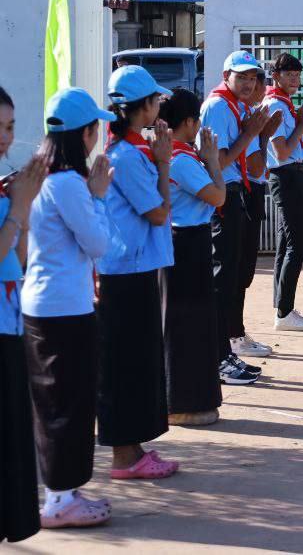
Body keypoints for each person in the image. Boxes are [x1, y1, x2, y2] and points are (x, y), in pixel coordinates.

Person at [23, 88, 115, 528]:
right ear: (84, 133)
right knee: (69, 403)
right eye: (94, 128)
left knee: (56, 401)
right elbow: (97, 243)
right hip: (64, 308)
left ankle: (62, 492)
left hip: (43, 303)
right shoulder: (69, 184)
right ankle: (60, 499)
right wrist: (97, 195)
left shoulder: (40, 177)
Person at [99, 65, 180, 480]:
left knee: (137, 361)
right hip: (125, 272)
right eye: (154, 101)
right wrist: (164, 164)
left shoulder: (131, 150)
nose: (159, 107)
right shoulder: (128, 156)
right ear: (142, 107)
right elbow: (158, 212)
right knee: (127, 363)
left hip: (133, 267)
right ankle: (124, 456)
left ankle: (133, 448)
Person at [200, 50, 273, 385]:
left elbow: (250, 161)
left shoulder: (237, 106)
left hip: (236, 192)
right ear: (226, 75)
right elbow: (219, 158)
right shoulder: (218, 106)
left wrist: (257, 131)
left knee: (234, 276)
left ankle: (226, 348)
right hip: (223, 196)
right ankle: (215, 356)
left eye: (253, 77)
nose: (248, 83)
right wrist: (253, 132)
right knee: (222, 278)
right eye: (241, 76)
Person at [157, 89, 225, 426]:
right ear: (187, 122)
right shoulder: (182, 159)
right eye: (197, 120)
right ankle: (181, 403)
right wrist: (212, 161)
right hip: (185, 243)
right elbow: (217, 195)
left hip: (188, 242)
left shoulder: (182, 155)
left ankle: (192, 400)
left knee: (196, 325)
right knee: (186, 327)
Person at [0, 87, 45, 543]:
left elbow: (21, 259)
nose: (5, 137)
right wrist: (17, 208)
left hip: (10, 326)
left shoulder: (6, 187)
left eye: (10, 127)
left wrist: (23, 209)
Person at [264, 55, 303, 331]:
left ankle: (282, 308)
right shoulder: (275, 104)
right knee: (297, 244)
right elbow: (282, 151)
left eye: (297, 74)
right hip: (285, 176)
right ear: (276, 76)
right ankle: (285, 312)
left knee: (287, 243)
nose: (294, 79)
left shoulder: (284, 102)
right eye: (288, 74)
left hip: (292, 175)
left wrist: (301, 121)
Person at [231, 68, 277, 360]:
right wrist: (259, 135)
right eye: (249, 81)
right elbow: (258, 166)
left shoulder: (247, 112)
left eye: (255, 81)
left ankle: (236, 331)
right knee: (236, 273)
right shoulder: (241, 114)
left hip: (250, 192)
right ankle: (232, 336)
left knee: (244, 271)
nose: (256, 88)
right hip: (242, 192)